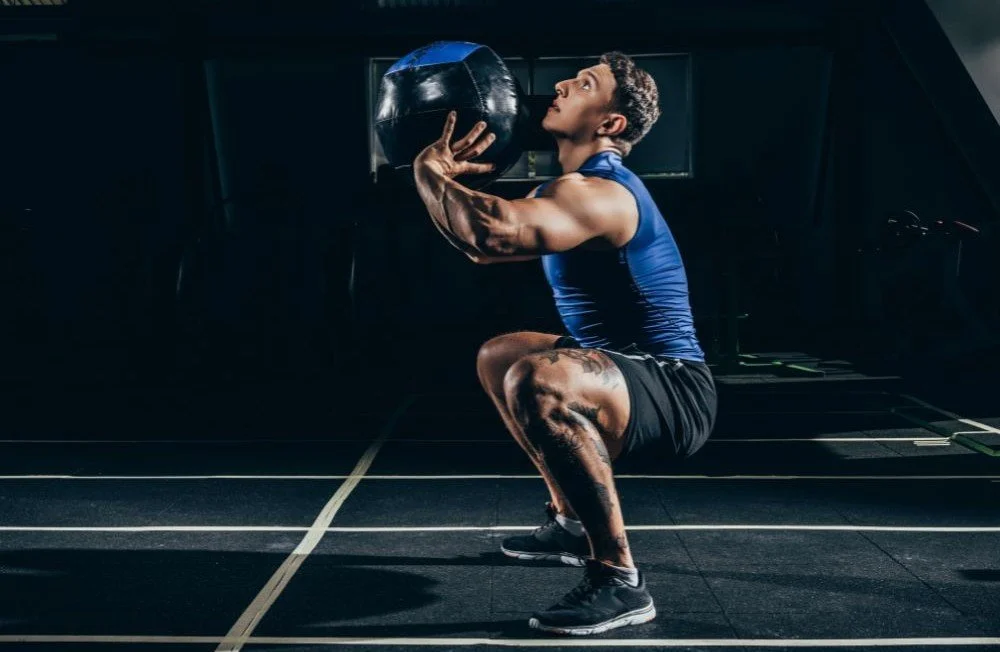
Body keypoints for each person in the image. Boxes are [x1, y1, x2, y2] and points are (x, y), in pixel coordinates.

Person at [412, 51, 717, 636]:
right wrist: (441, 185)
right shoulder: (571, 189)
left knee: (538, 377)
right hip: (624, 372)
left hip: (672, 389)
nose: (560, 84)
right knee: (501, 355)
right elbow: (480, 247)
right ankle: (569, 523)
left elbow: (490, 231)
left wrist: (430, 174)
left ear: (611, 125)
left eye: (584, 84)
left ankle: (619, 579)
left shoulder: (601, 193)